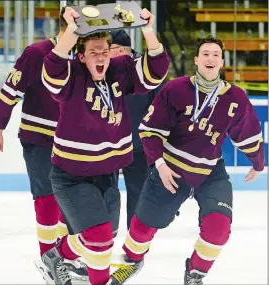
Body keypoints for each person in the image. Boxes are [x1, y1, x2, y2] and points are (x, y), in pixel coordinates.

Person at [111, 35, 265, 285]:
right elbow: (150, 131)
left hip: (210, 173)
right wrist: (159, 165)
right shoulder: (176, 89)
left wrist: (258, 162)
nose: (210, 58)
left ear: (222, 61)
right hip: (171, 170)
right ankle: (132, 259)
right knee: (141, 228)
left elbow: (247, 132)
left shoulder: (235, 97)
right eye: (205, 53)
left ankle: (195, 272)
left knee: (219, 229)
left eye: (216, 54)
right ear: (196, 60)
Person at [41, 6, 170, 285]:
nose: (100, 57)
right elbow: (52, 67)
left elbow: (156, 71)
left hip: (107, 173)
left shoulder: (119, 72)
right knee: (99, 237)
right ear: (81, 56)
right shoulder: (71, 76)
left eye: (104, 52)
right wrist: (71, 31)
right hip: (72, 175)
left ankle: (56, 254)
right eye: (93, 52)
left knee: (103, 235)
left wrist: (148, 29)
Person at [0, 7, 88, 280]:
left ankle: (64, 258)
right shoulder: (36, 53)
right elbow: (11, 89)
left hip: (73, 144)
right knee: (47, 201)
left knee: (72, 203)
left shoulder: (84, 58)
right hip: (38, 139)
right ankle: (48, 259)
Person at [109, 29, 165, 229]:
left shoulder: (146, 69)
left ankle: (134, 244)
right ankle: (104, 238)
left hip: (139, 146)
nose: (106, 54)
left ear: (123, 49)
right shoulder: (103, 68)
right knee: (107, 192)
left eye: (110, 49)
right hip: (109, 146)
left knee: (139, 193)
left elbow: (163, 106)